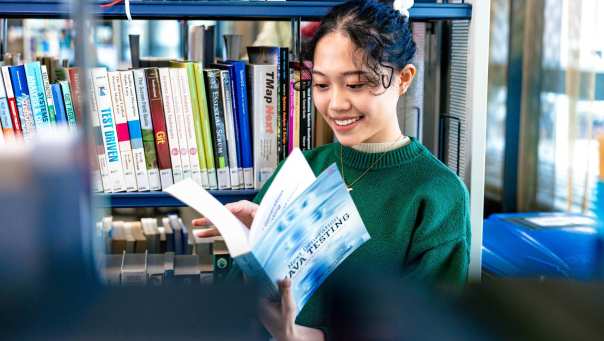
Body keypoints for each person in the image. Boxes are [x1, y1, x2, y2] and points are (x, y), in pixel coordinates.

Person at [193, 0, 471, 339]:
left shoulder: (437, 194)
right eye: (322, 85)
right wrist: (258, 242)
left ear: (403, 79)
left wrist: (308, 336)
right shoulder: (303, 169)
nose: (336, 104)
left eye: (355, 84)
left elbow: (429, 328)